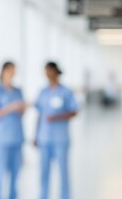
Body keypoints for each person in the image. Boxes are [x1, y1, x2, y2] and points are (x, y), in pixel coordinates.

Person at [35, 62, 78, 199]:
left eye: (49, 71)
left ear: (55, 71)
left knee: (63, 172)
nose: (47, 75)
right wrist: (35, 135)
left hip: (60, 139)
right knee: (43, 173)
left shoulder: (66, 92)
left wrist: (57, 117)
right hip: (44, 138)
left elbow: (74, 111)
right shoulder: (43, 92)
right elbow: (40, 114)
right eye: (45, 72)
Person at [0, 61, 25, 199]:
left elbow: (22, 113)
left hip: (17, 138)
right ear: (3, 72)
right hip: (2, 140)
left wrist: (21, 109)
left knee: (15, 175)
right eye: (10, 71)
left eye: (14, 71)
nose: (12, 74)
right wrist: (10, 107)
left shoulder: (18, 91)